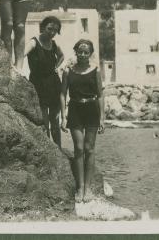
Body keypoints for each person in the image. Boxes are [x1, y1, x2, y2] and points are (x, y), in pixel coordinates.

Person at [60, 39, 105, 203]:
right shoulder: (68, 71)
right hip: (75, 110)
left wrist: (102, 118)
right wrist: (63, 116)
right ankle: (79, 187)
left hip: (92, 109)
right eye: (80, 51)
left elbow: (100, 95)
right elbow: (63, 93)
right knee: (78, 148)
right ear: (76, 52)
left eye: (86, 52)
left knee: (89, 148)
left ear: (90, 54)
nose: (83, 55)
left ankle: (88, 188)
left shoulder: (96, 71)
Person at [24, 16, 64, 146]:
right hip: (38, 82)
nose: (52, 33)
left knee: (54, 119)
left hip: (53, 83)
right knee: (44, 119)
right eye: (50, 29)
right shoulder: (34, 42)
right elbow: (21, 54)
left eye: (55, 30)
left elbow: (62, 56)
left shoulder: (54, 44)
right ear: (43, 28)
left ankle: (58, 148)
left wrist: (57, 67)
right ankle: (49, 148)